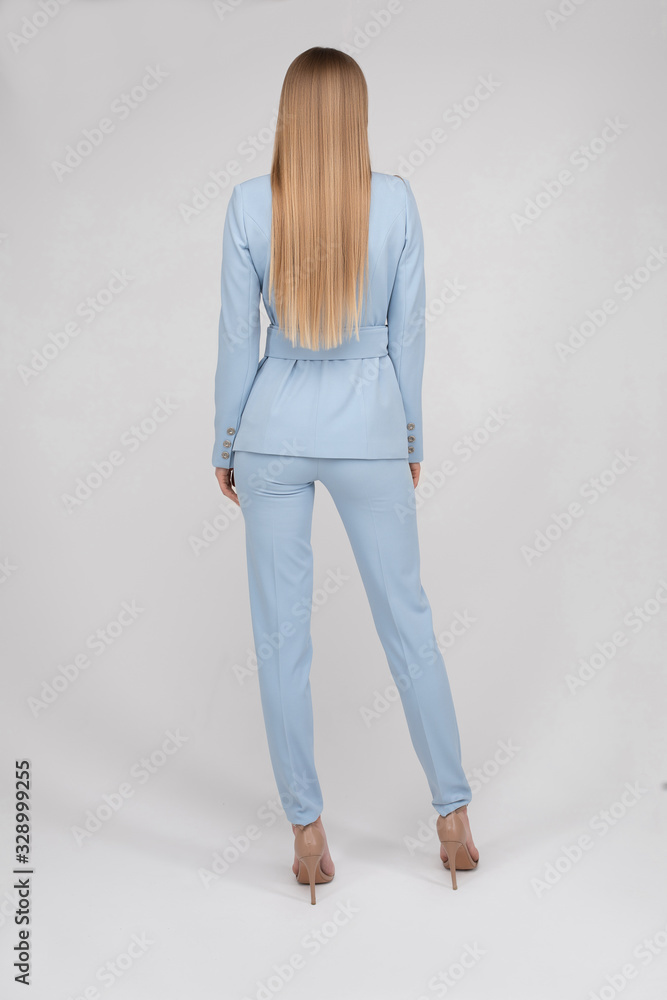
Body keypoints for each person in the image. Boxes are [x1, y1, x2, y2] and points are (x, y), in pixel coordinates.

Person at [212, 46, 478, 901]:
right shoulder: (395, 201)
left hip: (272, 430)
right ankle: (452, 819)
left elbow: (236, 340)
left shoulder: (248, 204)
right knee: (408, 621)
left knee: (280, 640)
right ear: (355, 115)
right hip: (370, 427)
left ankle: (305, 831)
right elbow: (411, 332)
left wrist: (225, 442)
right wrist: (409, 435)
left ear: (288, 115)